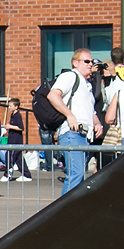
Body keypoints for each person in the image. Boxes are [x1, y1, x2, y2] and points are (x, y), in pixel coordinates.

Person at [47, 50, 100, 194]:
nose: (90, 65)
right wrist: (69, 115)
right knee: (76, 175)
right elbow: (53, 95)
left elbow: (89, 110)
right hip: (72, 133)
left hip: (85, 136)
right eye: (87, 61)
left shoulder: (87, 84)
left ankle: (72, 212)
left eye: (91, 62)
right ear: (75, 63)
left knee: (79, 176)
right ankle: (63, 213)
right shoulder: (70, 76)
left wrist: (97, 122)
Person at [0, 98, 32, 181]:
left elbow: (21, 127)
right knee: (19, 158)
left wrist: (10, 126)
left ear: (16, 107)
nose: (9, 107)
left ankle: (7, 174)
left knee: (10, 156)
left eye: (11, 106)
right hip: (11, 138)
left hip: (16, 140)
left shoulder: (18, 115)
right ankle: (26, 175)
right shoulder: (12, 115)